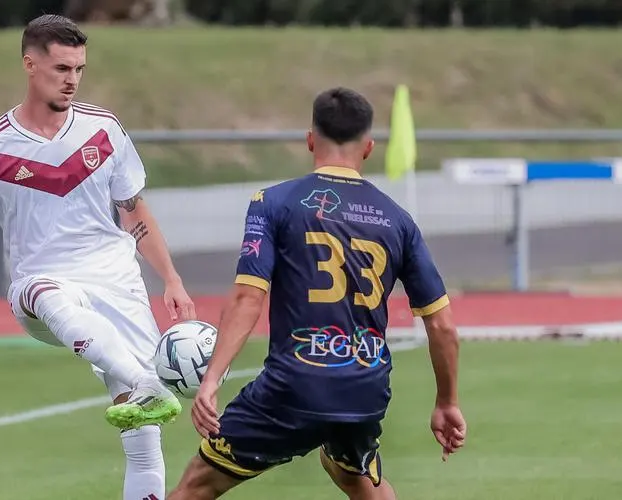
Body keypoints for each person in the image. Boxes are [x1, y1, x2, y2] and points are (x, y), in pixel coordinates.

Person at [0, 14, 192, 500]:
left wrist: (171, 279)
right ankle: (144, 380)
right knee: (51, 296)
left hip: (116, 277)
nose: (71, 80)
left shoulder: (104, 129)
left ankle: (140, 390)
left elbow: (133, 212)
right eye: (61, 68)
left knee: (143, 434)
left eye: (79, 69)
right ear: (30, 64)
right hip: (41, 285)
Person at [167, 87, 467, 500]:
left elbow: (247, 299)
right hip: (364, 390)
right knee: (355, 475)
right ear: (369, 147)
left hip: (294, 385)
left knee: (197, 485)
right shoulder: (399, 221)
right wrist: (446, 402)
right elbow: (442, 326)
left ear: (310, 139)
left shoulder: (273, 203)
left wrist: (212, 379)